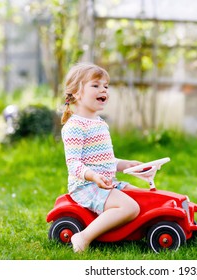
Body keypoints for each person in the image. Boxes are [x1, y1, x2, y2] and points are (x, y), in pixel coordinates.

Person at [61, 62, 141, 253]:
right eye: (95, 85)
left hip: (105, 182)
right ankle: (83, 236)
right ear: (77, 93)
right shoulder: (75, 126)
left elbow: (104, 160)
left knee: (143, 197)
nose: (103, 89)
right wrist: (94, 177)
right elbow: (73, 164)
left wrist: (124, 165)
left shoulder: (99, 123)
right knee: (130, 207)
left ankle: (128, 231)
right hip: (86, 186)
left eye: (106, 86)